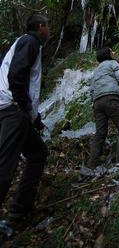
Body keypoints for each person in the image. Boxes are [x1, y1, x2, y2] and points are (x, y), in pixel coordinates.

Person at [0, 14, 49, 221]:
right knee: (5, 164)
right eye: (47, 26)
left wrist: (35, 118)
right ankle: (19, 210)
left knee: (38, 153)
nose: (49, 31)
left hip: (13, 108)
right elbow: (15, 76)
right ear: (40, 27)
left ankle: (21, 209)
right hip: (12, 109)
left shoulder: (25, 43)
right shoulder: (30, 42)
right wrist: (23, 106)